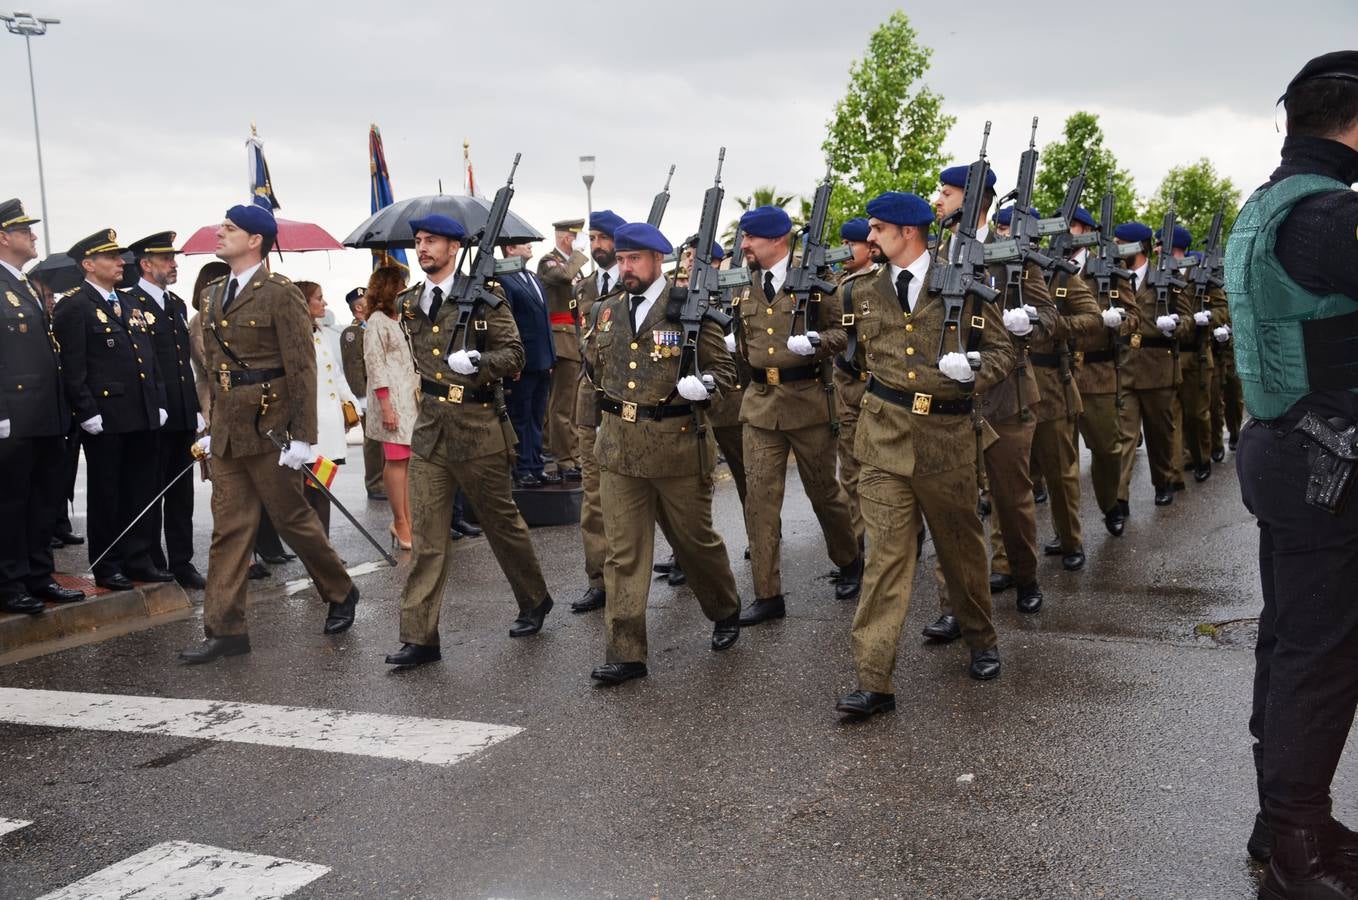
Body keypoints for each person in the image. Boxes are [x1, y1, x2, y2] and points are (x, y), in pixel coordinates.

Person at [1229, 51, 1358, 898]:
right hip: (1328, 461)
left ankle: (1284, 820)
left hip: (1284, 446)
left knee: (1290, 640)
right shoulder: (1330, 214)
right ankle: (1297, 849)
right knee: (1322, 652)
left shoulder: (1270, 200)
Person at [836, 192, 1015, 719]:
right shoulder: (860, 292)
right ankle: (874, 680)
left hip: (947, 439)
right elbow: (849, 364)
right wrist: (865, 405)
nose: (869, 239)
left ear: (907, 232)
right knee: (885, 561)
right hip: (883, 441)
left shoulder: (964, 288)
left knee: (960, 552)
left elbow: (1005, 352)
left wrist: (974, 371)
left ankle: (981, 639)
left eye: (878, 229)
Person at [179, 205, 358, 664]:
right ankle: (226, 629)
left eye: (230, 229)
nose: (220, 233)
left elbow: (301, 366)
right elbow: (214, 370)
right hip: (227, 430)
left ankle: (340, 591)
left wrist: (303, 436)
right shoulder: (213, 293)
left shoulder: (279, 293)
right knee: (230, 529)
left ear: (255, 239)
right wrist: (208, 422)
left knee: (293, 520)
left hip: (271, 426)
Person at [383, 215, 552, 669]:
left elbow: (515, 354)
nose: (422, 249)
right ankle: (420, 636)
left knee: (503, 525)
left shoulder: (486, 296)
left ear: (455, 248)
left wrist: (478, 360)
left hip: (479, 427)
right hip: (432, 430)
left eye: (432, 241)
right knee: (428, 538)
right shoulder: (409, 302)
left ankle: (534, 598)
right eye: (418, 242)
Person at [586, 223, 741, 685]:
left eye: (634, 259)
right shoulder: (606, 310)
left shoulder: (689, 311)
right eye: (621, 259)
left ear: (659, 261)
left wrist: (705, 385)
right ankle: (626, 650)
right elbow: (595, 365)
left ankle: (725, 608)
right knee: (623, 554)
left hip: (675, 445)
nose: (625, 267)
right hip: (619, 448)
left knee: (695, 544)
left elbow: (726, 372)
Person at [734, 205, 863, 628]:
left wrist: (818, 343)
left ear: (776, 240)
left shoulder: (815, 285)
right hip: (760, 404)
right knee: (760, 501)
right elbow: (740, 344)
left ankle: (849, 560)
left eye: (751, 237)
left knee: (823, 492)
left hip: (807, 402)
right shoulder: (744, 286)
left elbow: (844, 334)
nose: (744, 244)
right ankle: (767, 593)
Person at [52, 230, 170, 591]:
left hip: (143, 412)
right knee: (108, 494)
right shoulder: (74, 305)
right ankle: (108, 564)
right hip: (106, 415)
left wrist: (160, 401)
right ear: (88, 264)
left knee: (141, 491)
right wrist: (86, 410)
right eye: (111, 257)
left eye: (120, 257)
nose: (121, 262)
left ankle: (139, 559)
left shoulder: (131, 304)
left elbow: (150, 360)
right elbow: (72, 367)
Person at [0, 198, 84, 613]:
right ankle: (10, 582)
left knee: (42, 501)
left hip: (45, 416)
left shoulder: (24, 286)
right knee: (11, 503)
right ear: (3, 237)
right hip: (13, 418)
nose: (33, 235)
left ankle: (38, 574)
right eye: (24, 230)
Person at [124, 232, 207, 589]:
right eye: (166, 259)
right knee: (149, 489)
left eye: (173, 258)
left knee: (181, 493)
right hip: (151, 414)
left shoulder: (175, 304)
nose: (173, 264)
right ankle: (149, 557)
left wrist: (195, 408)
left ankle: (182, 560)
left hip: (181, 412)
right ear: (146, 264)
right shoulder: (130, 303)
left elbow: (180, 362)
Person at [1029, 207, 1102, 571]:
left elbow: (1093, 319)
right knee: (1011, 483)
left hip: (1051, 390)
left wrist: (1050, 325)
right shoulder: (1003, 274)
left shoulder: (1063, 276)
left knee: (1059, 474)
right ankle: (1010, 559)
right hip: (1009, 386)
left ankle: (1071, 538)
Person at [568, 209, 626, 614]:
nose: (596, 246)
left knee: (648, 492)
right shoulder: (584, 287)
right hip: (590, 401)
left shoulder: (638, 283)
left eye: (603, 238)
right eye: (592, 238)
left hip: (631, 402)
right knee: (593, 498)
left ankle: (685, 559)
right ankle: (599, 581)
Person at [1114, 222, 1194, 510]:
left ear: (1139, 246)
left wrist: (1175, 325)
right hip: (1126, 367)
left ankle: (1163, 481)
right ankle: (1119, 496)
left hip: (1158, 368)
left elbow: (1188, 322)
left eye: (1121, 242)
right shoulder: (1114, 278)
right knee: (1124, 436)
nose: (1116, 247)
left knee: (1160, 434)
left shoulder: (1166, 279)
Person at [1164, 227, 1228, 486]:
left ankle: (1202, 458)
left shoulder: (1203, 277)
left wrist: (1209, 318)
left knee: (1198, 414)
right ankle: (1178, 464)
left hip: (1198, 356)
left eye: (1163, 244)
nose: (1158, 249)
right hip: (1171, 356)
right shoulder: (1164, 275)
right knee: (1173, 415)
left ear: (1176, 247)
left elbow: (1223, 309)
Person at [361, 265, 417, 550]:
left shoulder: (403, 319)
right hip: (391, 399)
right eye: (401, 285)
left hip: (410, 399)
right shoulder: (377, 321)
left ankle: (408, 518)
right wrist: (385, 405)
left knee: (408, 461)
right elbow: (375, 364)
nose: (406, 289)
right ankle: (399, 521)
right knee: (396, 459)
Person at [299, 280, 359, 534]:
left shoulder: (319, 332)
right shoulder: (296, 335)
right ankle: (319, 550)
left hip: (329, 426)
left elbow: (335, 373)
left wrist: (351, 403)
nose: (324, 303)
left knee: (322, 489)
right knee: (309, 492)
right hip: (311, 429)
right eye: (318, 298)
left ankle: (323, 547)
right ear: (303, 302)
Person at [832, 217, 876, 550]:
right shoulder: (836, 284)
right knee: (850, 470)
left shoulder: (880, 282)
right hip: (847, 386)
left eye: (853, 244)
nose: (845, 250)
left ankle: (910, 533)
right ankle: (859, 547)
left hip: (877, 387)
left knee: (885, 469)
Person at [500, 239, 558, 487]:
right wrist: (512, 361)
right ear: (510, 249)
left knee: (537, 417)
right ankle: (523, 467)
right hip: (522, 362)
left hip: (543, 360)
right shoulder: (504, 279)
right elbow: (508, 324)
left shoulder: (533, 277)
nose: (530, 247)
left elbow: (544, 321)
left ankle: (536, 465)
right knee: (520, 417)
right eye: (524, 244)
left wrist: (551, 355)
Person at [537, 218, 589, 481]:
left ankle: (574, 454)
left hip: (574, 338)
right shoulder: (548, 262)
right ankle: (565, 459)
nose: (581, 244)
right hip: (560, 340)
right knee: (561, 406)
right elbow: (564, 277)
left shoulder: (572, 265)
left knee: (571, 405)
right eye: (576, 237)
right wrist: (579, 255)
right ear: (565, 238)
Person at [339, 286, 388, 500]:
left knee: (386, 439)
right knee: (373, 441)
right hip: (368, 392)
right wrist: (361, 398)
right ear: (359, 307)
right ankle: (375, 483)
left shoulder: (376, 326)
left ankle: (387, 480)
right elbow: (353, 367)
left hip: (383, 389)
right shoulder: (353, 332)